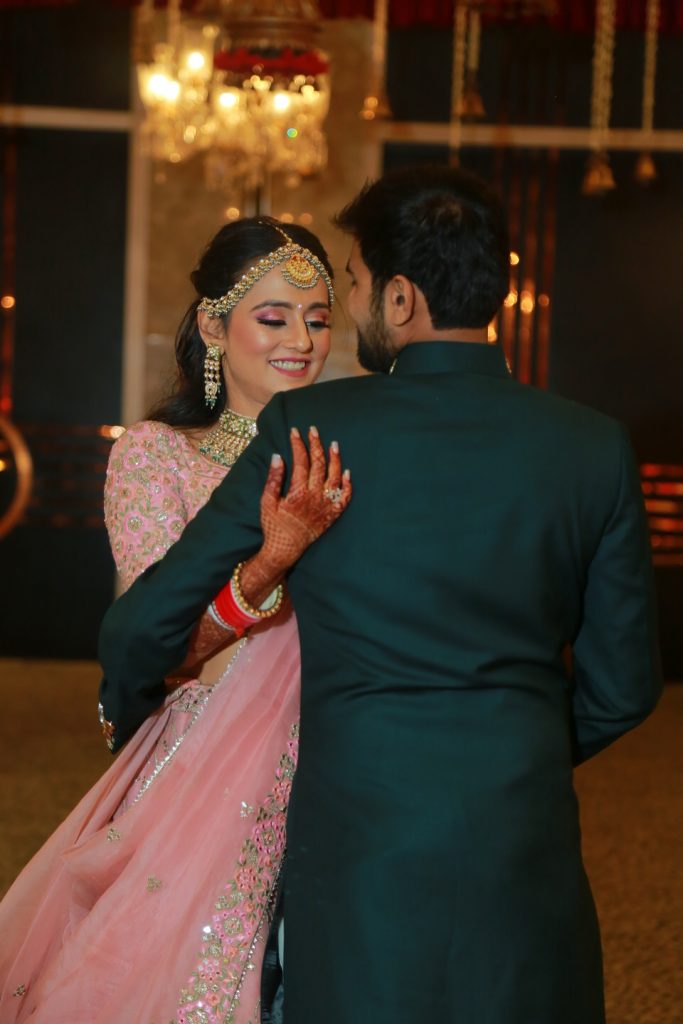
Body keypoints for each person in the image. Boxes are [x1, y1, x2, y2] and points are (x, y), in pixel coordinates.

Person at [95, 164, 661, 1024]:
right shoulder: (592, 448)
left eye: (351, 286)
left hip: (358, 842)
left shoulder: (315, 432)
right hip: (521, 832)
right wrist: (513, 749)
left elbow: (148, 620)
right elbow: (624, 688)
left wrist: (132, 703)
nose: (346, 312)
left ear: (398, 300)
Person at [0, 216, 351, 1024]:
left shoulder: (343, 454)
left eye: (318, 317)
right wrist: (268, 564)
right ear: (211, 325)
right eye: (273, 318)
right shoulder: (159, 456)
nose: (301, 339)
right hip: (211, 767)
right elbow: (159, 651)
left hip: (341, 750)